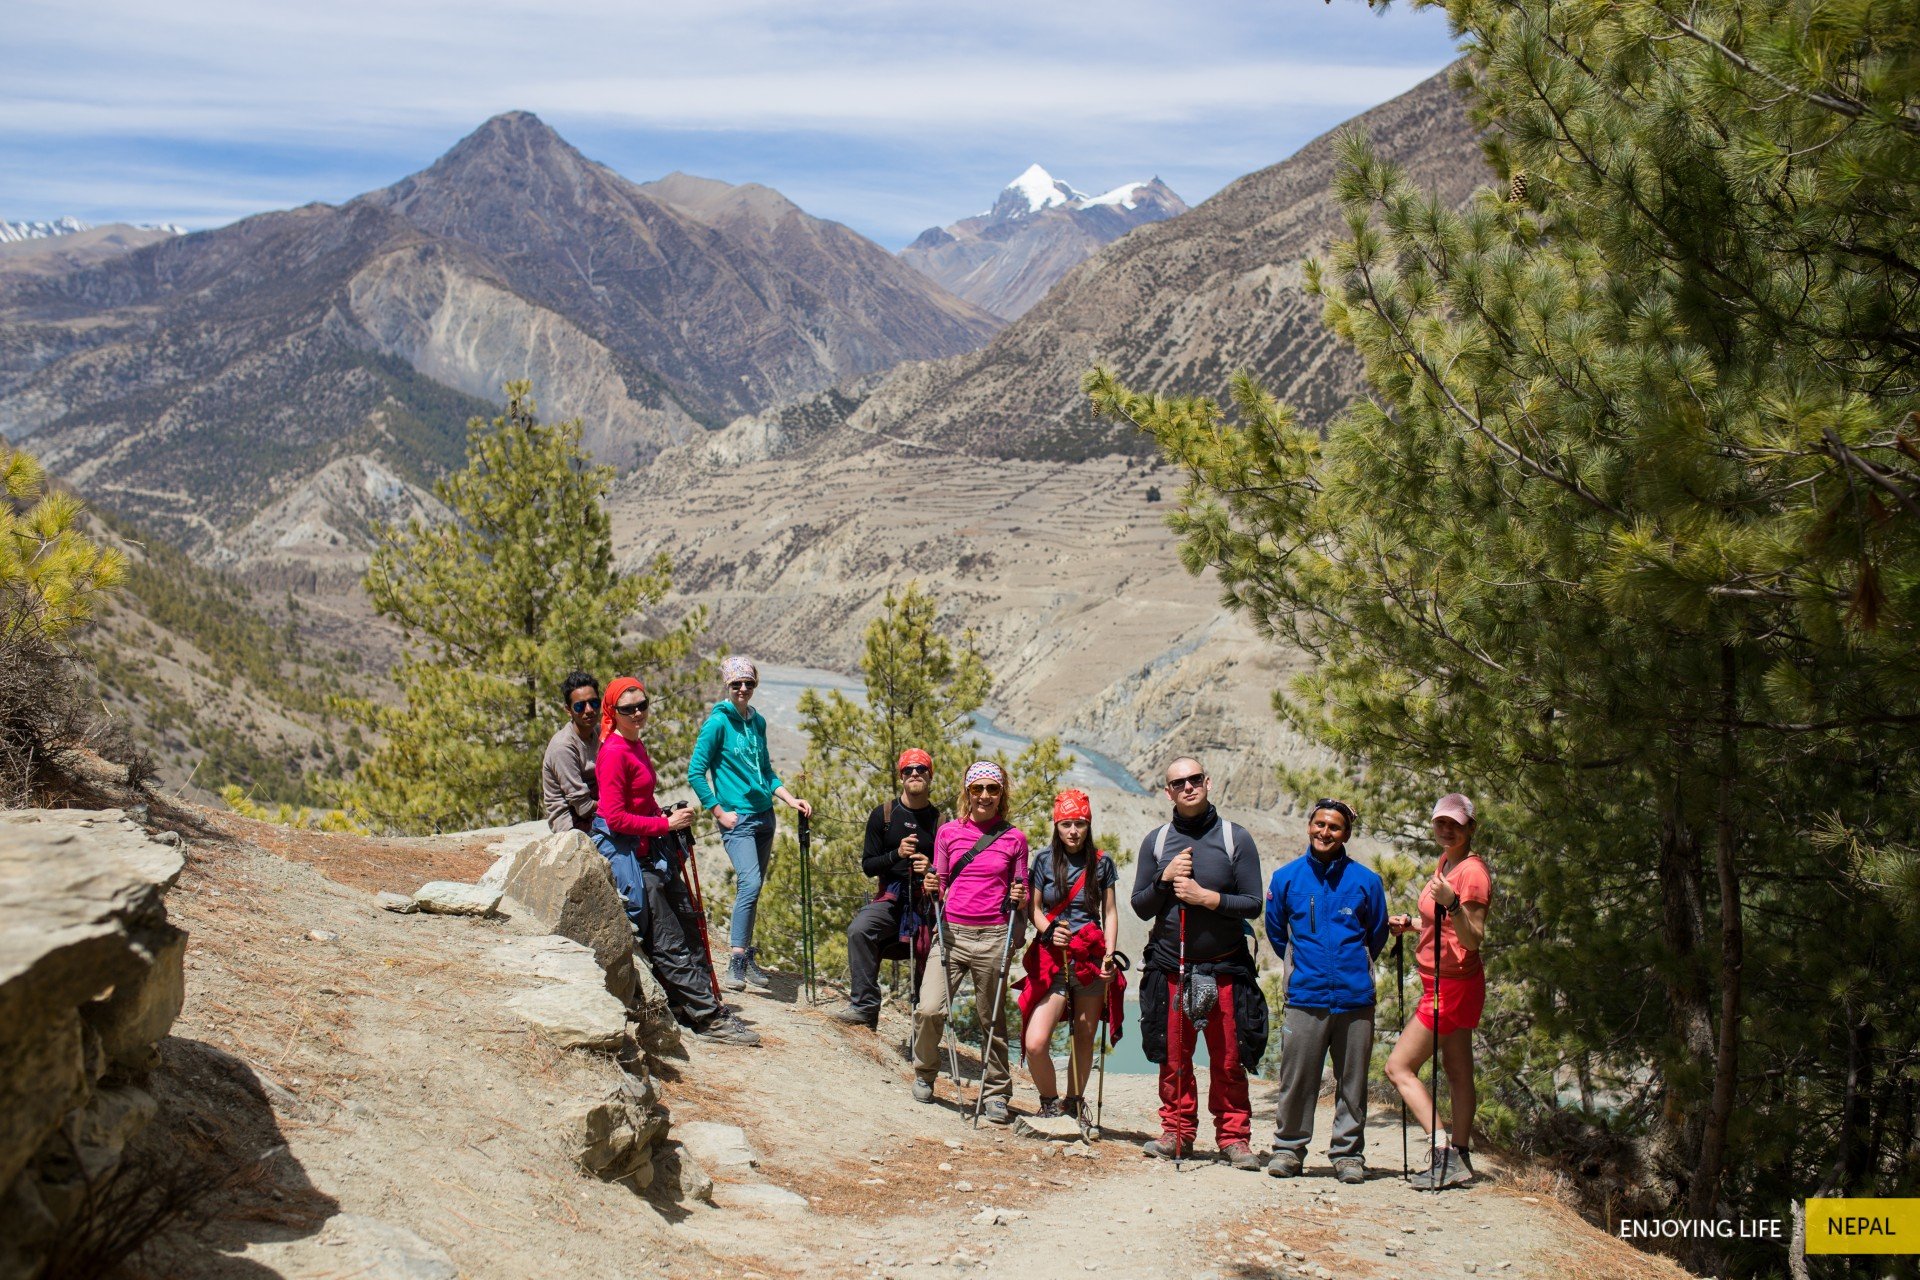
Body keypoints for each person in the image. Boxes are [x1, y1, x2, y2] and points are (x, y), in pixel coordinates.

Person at [593, 676, 760, 1046]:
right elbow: (616, 817)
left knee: (690, 921)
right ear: (613, 713)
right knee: (668, 937)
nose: (637, 713)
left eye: (642, 705)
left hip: (650, 849)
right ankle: (705, 1016)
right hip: (632, 856)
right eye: (627, 709)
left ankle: (700, 1003)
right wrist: (664, 823)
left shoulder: (636, 743)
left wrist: (664, 814)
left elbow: (642, 801)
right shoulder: (614, 753)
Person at [1132, 757, 1267, 1169]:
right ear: (1168, 792)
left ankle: (1233, 1138)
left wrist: (1206, 898)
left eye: (1194, 779)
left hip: (1225, 967)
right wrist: (1165, 878)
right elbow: (1140, 906)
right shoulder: (1156, 842)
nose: (1188, 787)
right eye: (1179, 782)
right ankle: (1176, 1131)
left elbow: (1253, 902)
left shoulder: (1235, 839)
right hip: (1172, 966)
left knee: (1228, 1057)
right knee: (1174, 1056)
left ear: (1207, 782)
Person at [1264, 798, 1388, 1183]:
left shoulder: (1367, 881)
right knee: (1297, 1079)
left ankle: (1348, 1154)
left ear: (1346, 833)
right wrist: (1301, 968)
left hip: (1354, 999)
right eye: (1319, 824)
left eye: (1334, 827)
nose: (1325, 832)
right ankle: (1288, 1150)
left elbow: (1378, 932)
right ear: (1308, 826)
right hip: (1305, 996)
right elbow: (1275, 931)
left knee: (1352, 1081)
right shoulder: (1287, 878)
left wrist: (1357, 969)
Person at [1384, 792, 1493, 1190]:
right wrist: (1414, 923)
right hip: (1448, 981)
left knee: (1398, 1067)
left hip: (1451, 986)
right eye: (1440, 823)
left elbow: (1474, 937)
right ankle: (1461, 1156)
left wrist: (1455, 903)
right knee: (1458, 1070)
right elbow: (1443, 923)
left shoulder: (1472, 874)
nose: (1446, 830)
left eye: (1455, 824)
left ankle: (1443, 1152)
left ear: (1471, 828)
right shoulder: (1449, 861)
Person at [911, 761, 1029, 1123]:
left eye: (992, 789)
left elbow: (1021, 892)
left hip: (994, 935)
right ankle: (924, 1072)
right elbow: (941, 881)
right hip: (950, 934)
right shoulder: (949, 833)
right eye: (977, 789)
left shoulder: (1015, 838)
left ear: (1001, 794)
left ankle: (996, 1092)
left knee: (990, 1020)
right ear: (967, 793)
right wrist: (931, 886)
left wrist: (1019, 896)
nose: (984, 796)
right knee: (929, 1008)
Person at [687, 656, 811, 993]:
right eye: (737, 684)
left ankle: (745, 955)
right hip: (737, 819)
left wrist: (789, 799)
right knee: (750, 882)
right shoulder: (717, 724)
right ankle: (736, 960)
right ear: (727, 686)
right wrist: (718, 812)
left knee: (752, 891)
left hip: (764, 816)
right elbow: (695, 772)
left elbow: (766, 772)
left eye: (749, 683)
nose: (743, 689)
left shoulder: (758, 723)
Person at [1017, 789, 1120, 1119]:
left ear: (1088, 825)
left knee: (1085, 1036)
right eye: (1066, 824)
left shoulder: (1102, 863)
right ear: (1056, 825)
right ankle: (1050, 1102)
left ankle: (1074, 1103)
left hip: (1090, 958)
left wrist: (1111, 956)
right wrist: (1048, 929)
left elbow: (1111, 912)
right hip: (1054, 958)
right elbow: (1033, 909)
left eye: (1079, 824)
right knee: (1036, 1042)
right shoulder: (1044, 861)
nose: (1073, 831)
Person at [832, 748, 942, 1030]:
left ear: (930, 776)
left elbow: (948, 872)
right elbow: (869, 865)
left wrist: (930, 869)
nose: (914, 774)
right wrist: (897, 855)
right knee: (860, 929)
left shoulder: (942, 823)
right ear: (901, 777)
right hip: (892, 898)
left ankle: (923, 1027)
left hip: (926, 903)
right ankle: (865, 1007)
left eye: (920, 770)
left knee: (932, 957)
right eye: (908, 770)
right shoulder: (884, 815)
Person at [542, 671, 601, 834]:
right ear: (569, 710)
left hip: (598, 811)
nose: (589, 710)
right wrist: (618, 804)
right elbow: (583, 807)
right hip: (573, 825)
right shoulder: (563, 747)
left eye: (594, 703)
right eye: (580, 706)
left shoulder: (599, 733)